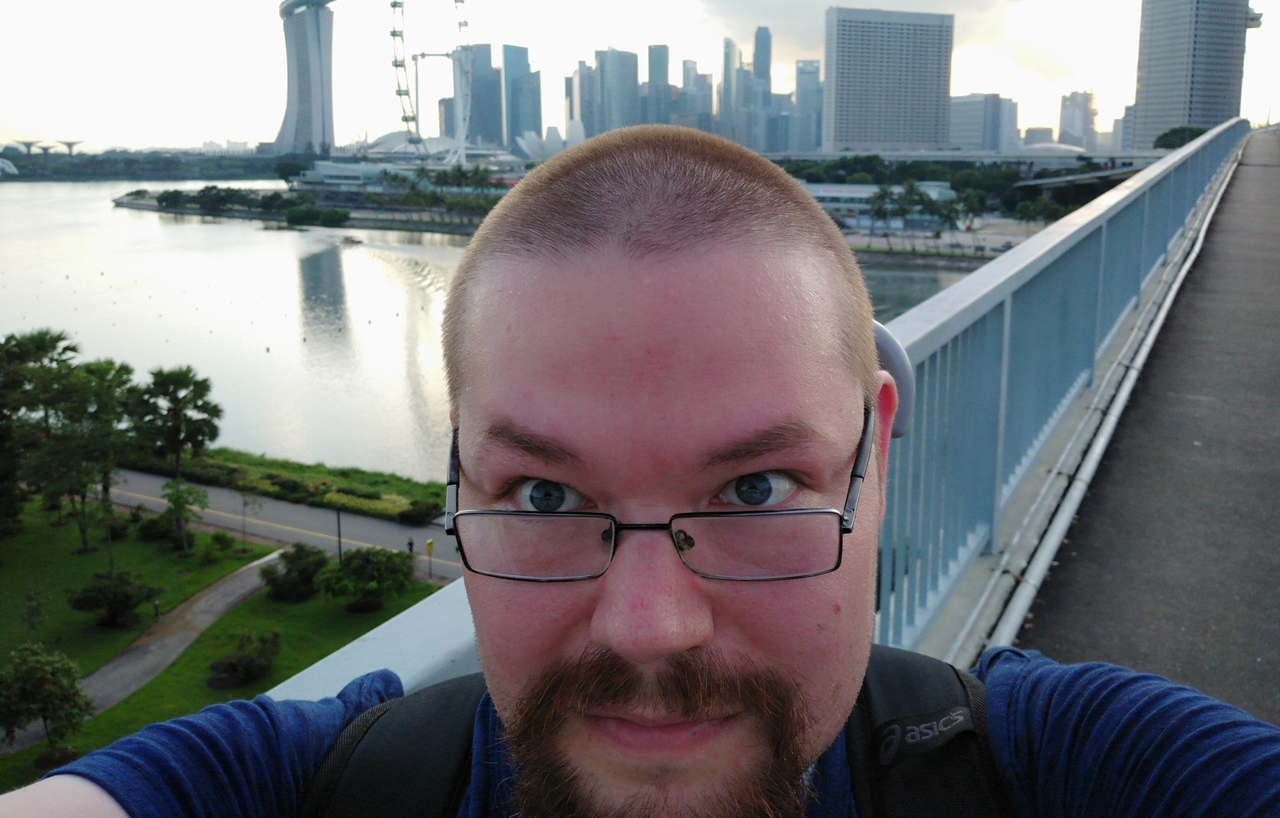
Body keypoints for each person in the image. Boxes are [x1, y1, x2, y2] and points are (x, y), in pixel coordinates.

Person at [3, 126, 1278, 818]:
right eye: (545, 497)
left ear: (874, 459)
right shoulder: (316, 786)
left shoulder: (1057, 765)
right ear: (458, 484)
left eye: (756, 488)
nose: (649, 624)